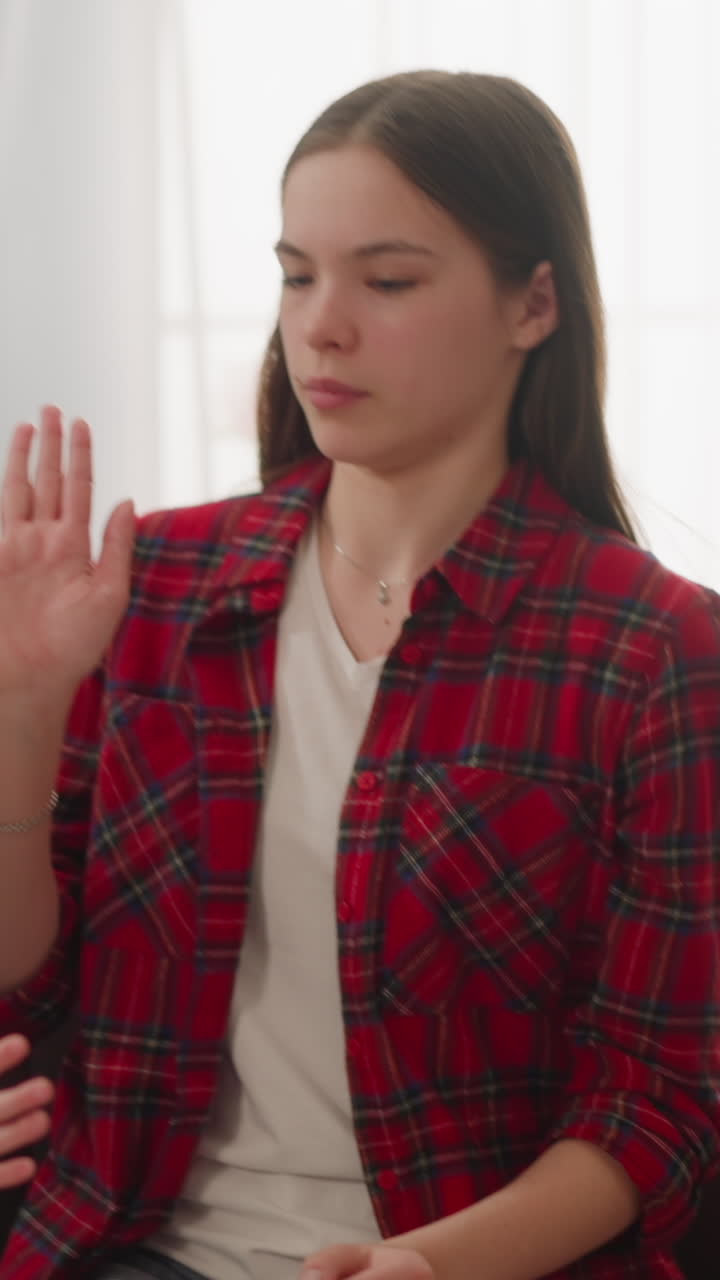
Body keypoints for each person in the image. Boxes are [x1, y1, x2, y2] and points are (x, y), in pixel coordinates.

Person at [0, 69, 718, 1280]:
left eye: (388, 281)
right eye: (297, 273)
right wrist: (20, 712)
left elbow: (658, 1096)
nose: (321, 324)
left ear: (534, 303)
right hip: (118, 1243)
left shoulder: (653, 652)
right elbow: (33, 974)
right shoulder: (154, 585)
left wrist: (433, 1265)